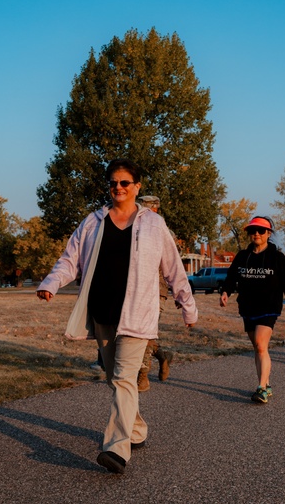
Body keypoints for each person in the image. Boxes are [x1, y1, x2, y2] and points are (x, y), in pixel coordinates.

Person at [37, 159, 196, 474]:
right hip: (103, 310)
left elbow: (174, 268)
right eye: (113, 183)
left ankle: (116, 449)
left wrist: (187, 305)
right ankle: (136, 429)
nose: (118, 188)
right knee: (115, 380)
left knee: (124, 378)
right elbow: (70, 260)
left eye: (125, 183)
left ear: (137, 186)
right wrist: (51, 283)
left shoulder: (153, 224)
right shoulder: (93, 222)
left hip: (138, 314)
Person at [220, 216, 285, 400]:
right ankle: (266, 383)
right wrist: (226, 292)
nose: (256, 234)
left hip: (269, 307)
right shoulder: (242, 256)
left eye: (261, 231)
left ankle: (261, 388)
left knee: (261, 345)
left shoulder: (278, 258)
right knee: (257, 347)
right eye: (252, 230)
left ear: (268, 234)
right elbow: (231, 277)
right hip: (247, 307)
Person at [134, 195, 175, 392]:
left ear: (155, 210)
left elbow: (173, 265)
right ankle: (162, 356)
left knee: (146, 333)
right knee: (135, 334)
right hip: (134, 291)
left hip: (156, 291)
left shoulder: (165, 232)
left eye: (145, 209)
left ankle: (142, 376)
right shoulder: (132, 229)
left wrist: (182, 295)